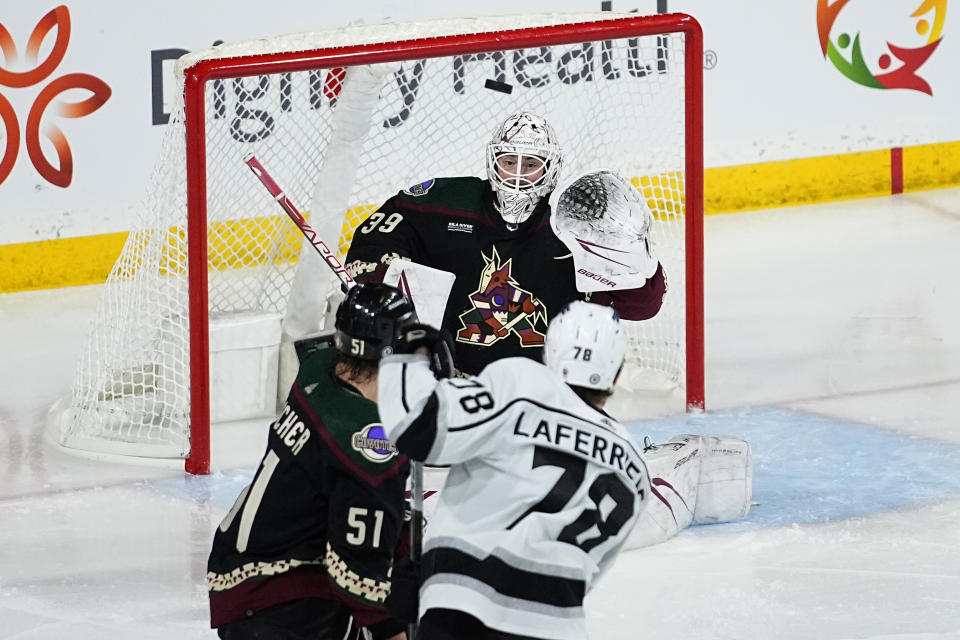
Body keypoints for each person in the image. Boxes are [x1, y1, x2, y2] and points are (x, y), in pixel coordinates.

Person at [377, 301, 652, 640]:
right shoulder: (634, 465)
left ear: (548, 352)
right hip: (557, 626)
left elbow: (415, 425)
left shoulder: (522, 383)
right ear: (617, 372)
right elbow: (584, 571)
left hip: (465, 613)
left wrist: (407, 355)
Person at [343, 111, 667, 376]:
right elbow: (376, 240)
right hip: (449, 383)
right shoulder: (446, 204)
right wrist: (380, 289)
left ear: (550, 169)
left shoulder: (572, 226)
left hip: (540, 394)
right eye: (509, 162)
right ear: (492, 162)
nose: (516, 176)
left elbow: (642, 306)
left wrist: (635, 253)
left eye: (530, 165)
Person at [206, 282, 418, 640]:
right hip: (282, 603)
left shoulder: (318, 369)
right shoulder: (367, 443)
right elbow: (358, 575)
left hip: (240, 570)